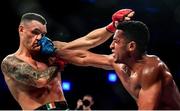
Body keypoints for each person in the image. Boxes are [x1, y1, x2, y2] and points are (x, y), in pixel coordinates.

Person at [0, 9, 134, 110]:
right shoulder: (10, 62)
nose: (40, 38)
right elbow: (39, 80)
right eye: (35, 32)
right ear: (21, 29)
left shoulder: (53, 49)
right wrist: (58, 60)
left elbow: (88, 41)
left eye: (43, 34)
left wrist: (112, 26)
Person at [49, 20, 180, 109]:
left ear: (131, 46)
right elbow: (83, 56)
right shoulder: (119, 63)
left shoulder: (151, 69)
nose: (111, 46)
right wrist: (52, 50)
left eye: (116, 42)